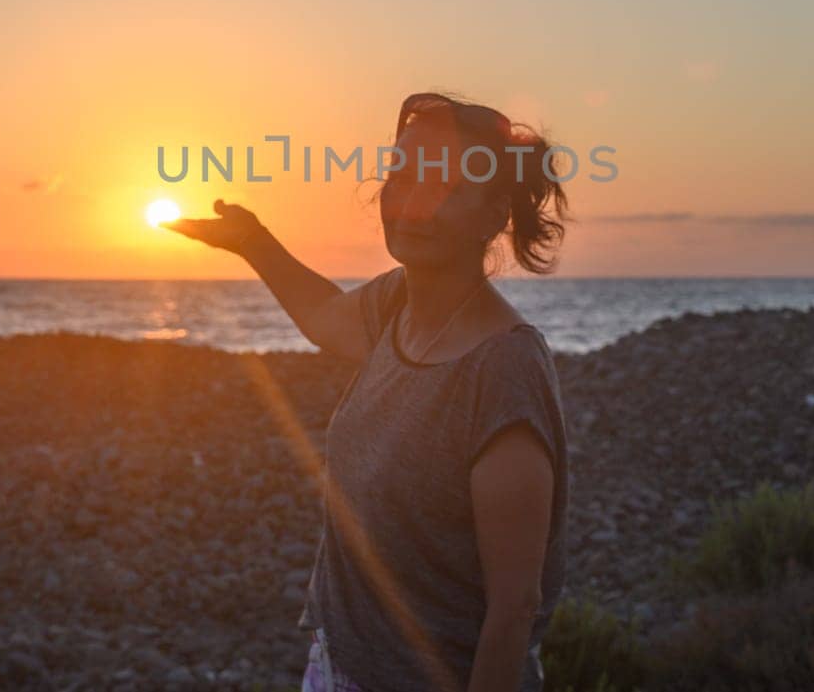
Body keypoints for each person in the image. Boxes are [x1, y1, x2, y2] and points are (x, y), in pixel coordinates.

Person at [164, 91, 571, 692]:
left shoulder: (503, 370)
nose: (413, 207)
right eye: (401, 179)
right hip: (338, 668)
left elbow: (514, 609)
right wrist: (252, 242)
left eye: (447, 188)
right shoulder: (396, 305)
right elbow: (326, 315)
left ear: (493, 215)